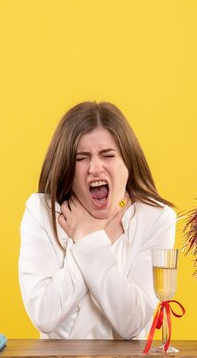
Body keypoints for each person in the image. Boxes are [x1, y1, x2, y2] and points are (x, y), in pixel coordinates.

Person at [18, 101, 176, 340]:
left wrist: (87, 237)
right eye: (81, 158)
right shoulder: (41, 212)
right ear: (66, 168)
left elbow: (131, 323)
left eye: (108, 155)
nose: (94, 168)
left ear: (128, 163)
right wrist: (93, 238)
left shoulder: (156, 218)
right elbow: (44, 314)